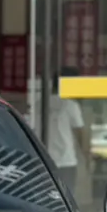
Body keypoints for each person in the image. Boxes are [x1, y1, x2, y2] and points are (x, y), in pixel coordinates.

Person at [46, 66, 89, 195]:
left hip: (44, 161)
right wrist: (87, 158)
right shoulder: (70, 105)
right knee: (66, 198)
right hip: (66, 161)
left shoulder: (39, 103)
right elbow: (80, 134)